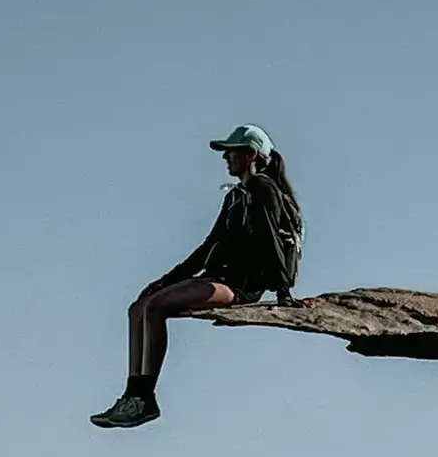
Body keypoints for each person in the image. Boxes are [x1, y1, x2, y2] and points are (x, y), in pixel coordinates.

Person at [91, 123, 305, 429]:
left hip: (238, 286)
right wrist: (164, 280)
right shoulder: (235, 196)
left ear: (251, 155)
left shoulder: (262, 188)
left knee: (155, 308)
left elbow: (271, 237)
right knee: (138, 308)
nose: (225, 157)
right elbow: (208, 246)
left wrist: (283, 292)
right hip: (216, 276)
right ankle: (132, 395)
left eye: (230, 151)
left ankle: (145, 400)